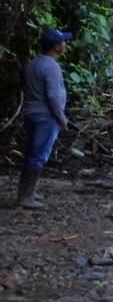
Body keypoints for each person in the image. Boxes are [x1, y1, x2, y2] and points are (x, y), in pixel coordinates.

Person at [17, 28, 73, 209]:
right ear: (57, 46)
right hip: (46, 116)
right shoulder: (51, 66)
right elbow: (52, 96)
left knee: (31, 153)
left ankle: (27, 192)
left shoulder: (33, 63)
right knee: (39, 155)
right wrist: (61, 117)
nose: (65, 43)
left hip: (31, 113)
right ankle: (26, 197)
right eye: (63, 41)